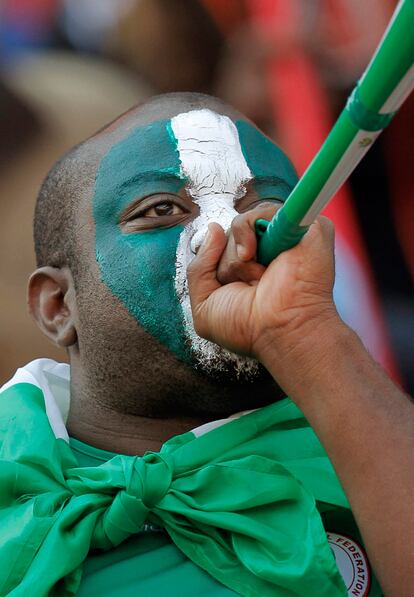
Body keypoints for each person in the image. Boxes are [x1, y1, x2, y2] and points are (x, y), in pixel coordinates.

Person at [0, 92, 412, 597]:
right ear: (58, 305)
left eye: (268, 211)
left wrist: (308, 331)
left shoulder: (378, 454)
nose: (224, 233)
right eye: (162, 208)